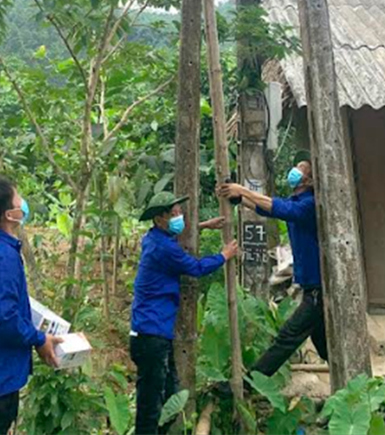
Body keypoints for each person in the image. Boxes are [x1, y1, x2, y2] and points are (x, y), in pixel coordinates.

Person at [130, 191, 238, 435]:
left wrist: (201, 226)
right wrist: (224, 255)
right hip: (151, 337)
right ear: (159, 219)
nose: (180, 217)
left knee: (171, 401)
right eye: (174, 214)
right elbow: (196, 268)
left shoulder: (153, 239)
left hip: (153, 335)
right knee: (151, 408)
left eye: (180, 212)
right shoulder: (164, 249)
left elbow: (171, 240)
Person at [0, 177, 63, 435]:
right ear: (10, 214)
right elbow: (5, 318)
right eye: (19, 198)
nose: (23, 203)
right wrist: (39, 338)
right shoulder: (1, 255)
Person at [218, 153, 328, 375]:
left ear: (308, 181)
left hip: (318, 290)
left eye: (301, 169)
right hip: (311, 288)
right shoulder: (296, 201)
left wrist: (243, 191)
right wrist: (239, 198)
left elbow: (279, 207)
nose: (294, 171)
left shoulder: (309, 205)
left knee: (288, 337)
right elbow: (270, 207)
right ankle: (354, 381)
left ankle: (254, 380)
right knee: (325, 345)